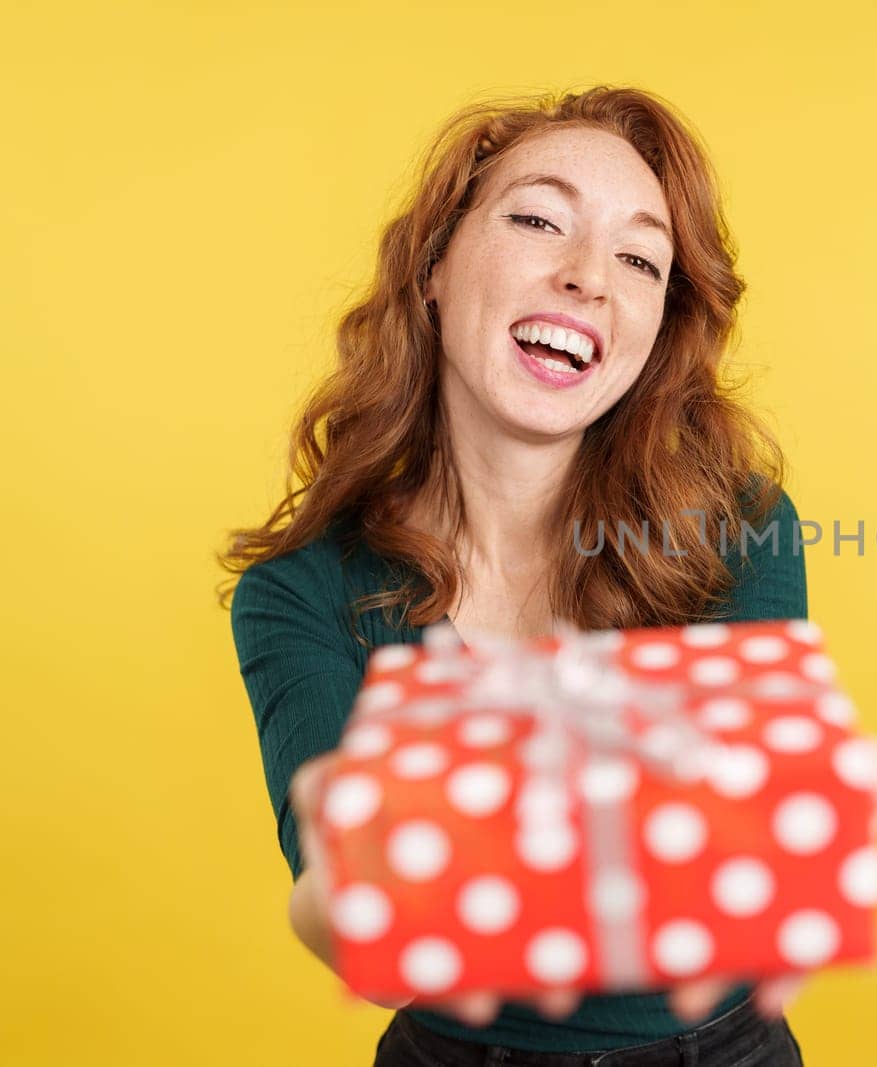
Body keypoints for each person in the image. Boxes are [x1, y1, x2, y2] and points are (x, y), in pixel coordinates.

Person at [219, 86, 809, 1065]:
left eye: (639, 258)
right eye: (539, 218)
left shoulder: (736, 530)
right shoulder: (301, 591)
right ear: (436, 266)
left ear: (655, 330)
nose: (589, 278)